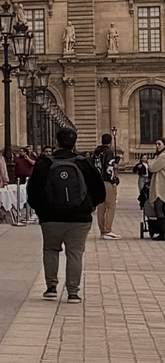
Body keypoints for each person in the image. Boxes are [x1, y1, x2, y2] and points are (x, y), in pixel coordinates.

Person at [28, 125, 106, 301]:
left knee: (50, 250)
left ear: (56, 142)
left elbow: (32, 192)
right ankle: (73, 291)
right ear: (74, 143)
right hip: (79, 218)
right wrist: (88, 206)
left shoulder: (44, 163)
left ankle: (51, 288)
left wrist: (42, 210)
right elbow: (99, 191)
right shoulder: (83, 163)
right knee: (75, 253)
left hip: (50, 218)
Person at [90, 133, 121, 238]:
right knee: (111, 206)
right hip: (107, 181)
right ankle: (107, 230)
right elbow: (109, 168)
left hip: (98, 182)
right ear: (110, 141)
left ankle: (102, 230)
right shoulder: (108, 152)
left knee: (101, 207)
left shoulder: (96, 152)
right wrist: (114, 180)